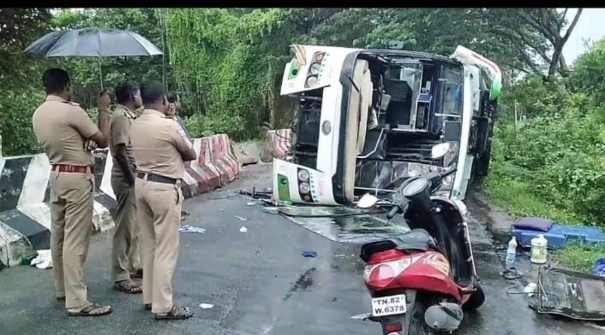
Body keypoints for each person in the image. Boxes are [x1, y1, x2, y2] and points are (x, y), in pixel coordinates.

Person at [32, 68, 112, 316]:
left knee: (58, 236)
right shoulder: (71, 110)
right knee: (76, 239)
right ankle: (78, 301)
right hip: (77, 177)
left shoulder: (39, 113)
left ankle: (62, 289)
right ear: (66, 85)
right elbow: (103, 139)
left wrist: (83, 141)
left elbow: (71, 139)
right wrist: (102, 108)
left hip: (57, 174)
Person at [130, 81, 197, 320]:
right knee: (166, 248)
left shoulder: (134, 124)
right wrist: (174, 119)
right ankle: (164, 306)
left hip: (141, 184)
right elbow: (191, 152)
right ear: (164, 101)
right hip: (164, 187)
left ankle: (149, 297)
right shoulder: (168, 125)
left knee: (149, 244)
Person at [109, 80, 143, 294]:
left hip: (132, 176)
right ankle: (121, 275)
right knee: (124, 227)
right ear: (132, 95)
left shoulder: (129, 116)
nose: (140, 97)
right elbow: (120, 152)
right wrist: (132, 180)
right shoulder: (121, 117)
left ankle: (134, 264)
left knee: (134, 225)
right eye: (138, 93)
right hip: (125, 177)